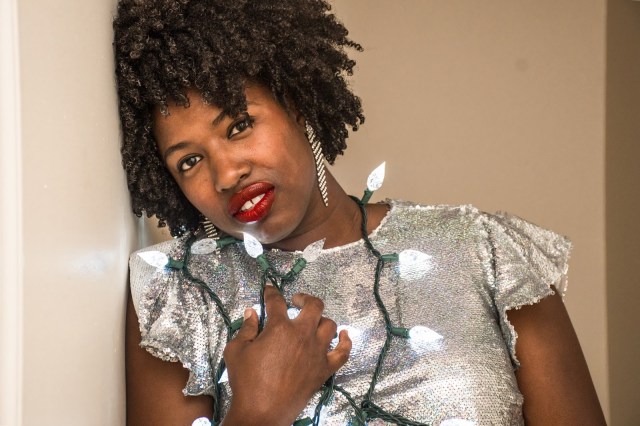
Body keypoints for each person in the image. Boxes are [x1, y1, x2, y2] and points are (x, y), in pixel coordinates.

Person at [113, 1, 606, 425]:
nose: (226, 173)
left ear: (296, 103)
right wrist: (259, 412)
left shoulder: (487, 253)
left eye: (239, 125)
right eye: (189, 161)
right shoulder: (176, 295)